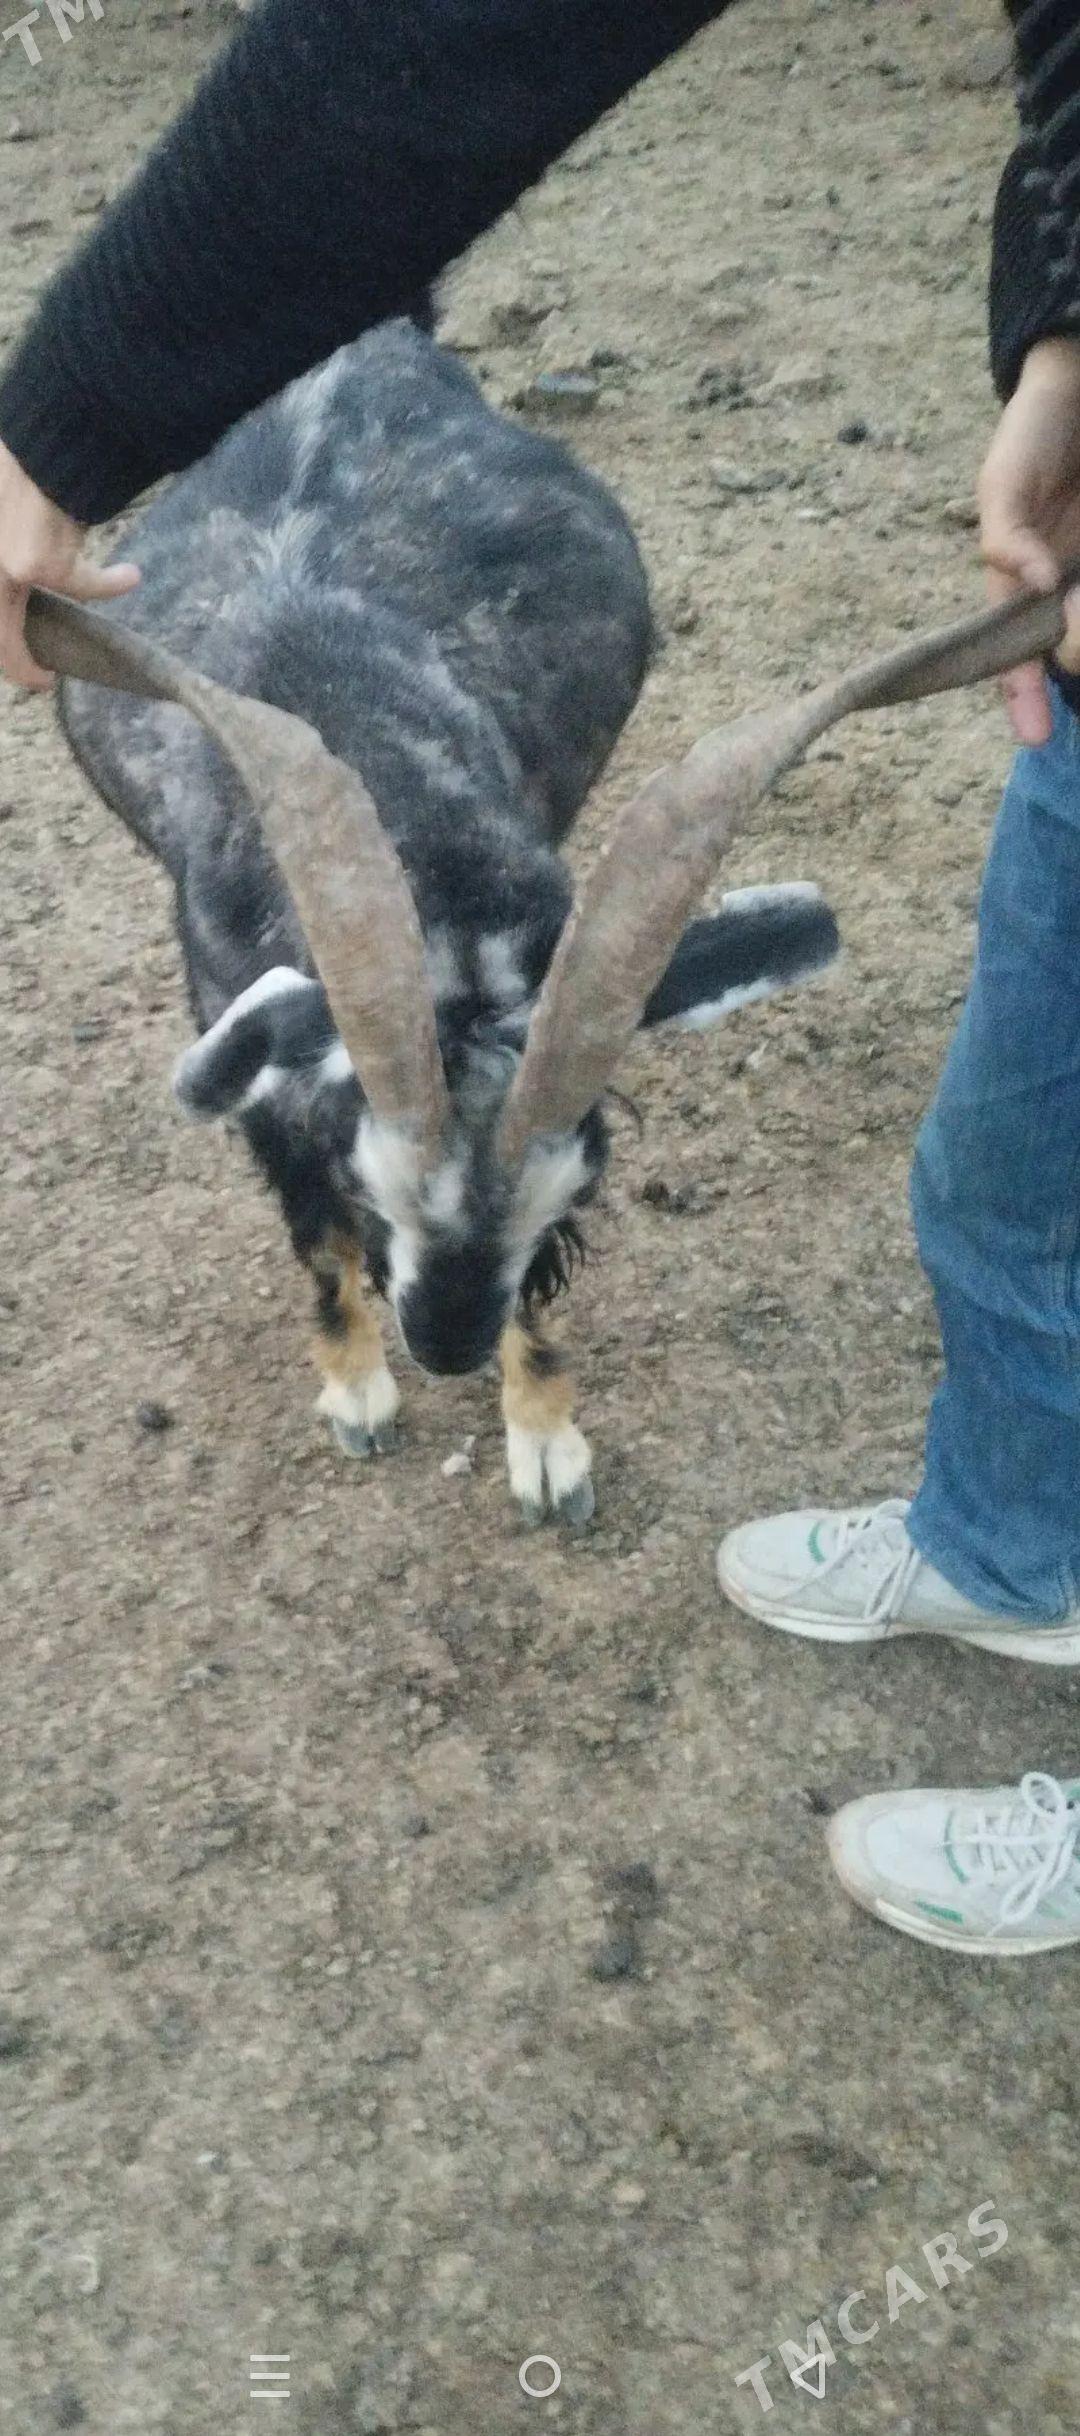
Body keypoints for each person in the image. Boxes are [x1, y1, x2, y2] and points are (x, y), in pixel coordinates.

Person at [3, 0, 1080, 1954]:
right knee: (1001, 1184)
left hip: (460, 750)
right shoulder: (245, 905)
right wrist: (1071, 318)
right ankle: (1010, 1544)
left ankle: (549, 1368)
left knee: (576, 1134)